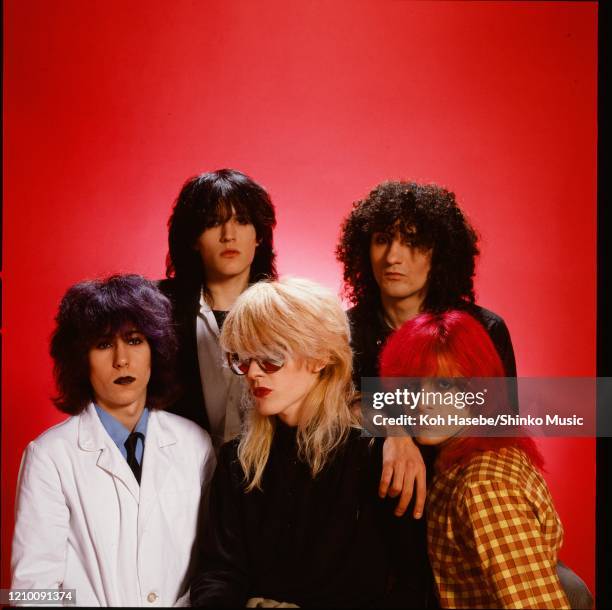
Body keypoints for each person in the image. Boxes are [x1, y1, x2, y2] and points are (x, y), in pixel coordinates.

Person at [190, 278, 430, 608]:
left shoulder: (376, 455)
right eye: (242, 360)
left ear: (319, 358)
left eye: (271, 358)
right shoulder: (237, 460)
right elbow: (218, 572)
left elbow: (413, 588)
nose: (253, 373)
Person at [11, 275, 215, 607]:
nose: (122, 359)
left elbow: (212, 565)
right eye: (103, 344)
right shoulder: (49, 456)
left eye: (134, 340)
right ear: (81, 360)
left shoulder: (196, 444)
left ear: (155, 350)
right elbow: (30, 589)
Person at [336, 180, 518, 511]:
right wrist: (396, 431)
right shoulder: (342, 331)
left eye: (412, 242)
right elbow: (332, 409)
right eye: (381, 241)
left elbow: (501, 426)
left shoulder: (484, 329)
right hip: (372, 510)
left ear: (439, 252)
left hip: (463, 504)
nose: (393, 256)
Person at [379, 311, 571, 609]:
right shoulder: (467, 454)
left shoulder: (483, 486)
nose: (423, 401)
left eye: (444, 386)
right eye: (413, 386)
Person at [160, 169, 277, 450]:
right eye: (213, 223)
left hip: (267, 478)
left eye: (242, 221)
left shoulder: (289, 310)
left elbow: (341, 384)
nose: (229, 235)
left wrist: (396, 432)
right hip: (179, 476)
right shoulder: (155, 307)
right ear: (193, 239)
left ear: (259, 235)